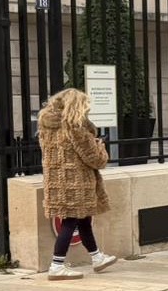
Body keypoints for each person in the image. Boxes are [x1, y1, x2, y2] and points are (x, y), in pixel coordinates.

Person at [38, 87, 118, 281]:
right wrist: (100, 146)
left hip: (57, 182)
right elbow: (96, 160)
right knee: (71, 221)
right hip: (76, 183)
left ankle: (97, 257)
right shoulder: (75, 128)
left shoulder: (47, 127)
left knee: (82, 220)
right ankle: (56, 266)